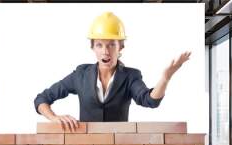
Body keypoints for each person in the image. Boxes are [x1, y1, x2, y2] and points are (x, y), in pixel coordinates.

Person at [34, 12, 190, 132]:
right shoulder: (80, 75)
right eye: (100, 45)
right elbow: (42, 99)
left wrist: (165, 78)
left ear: (120, 47)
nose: (105, 51)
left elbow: (150, 101)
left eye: (111, 45)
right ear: (92, 48)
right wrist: (54, 118)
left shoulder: (130, 76)